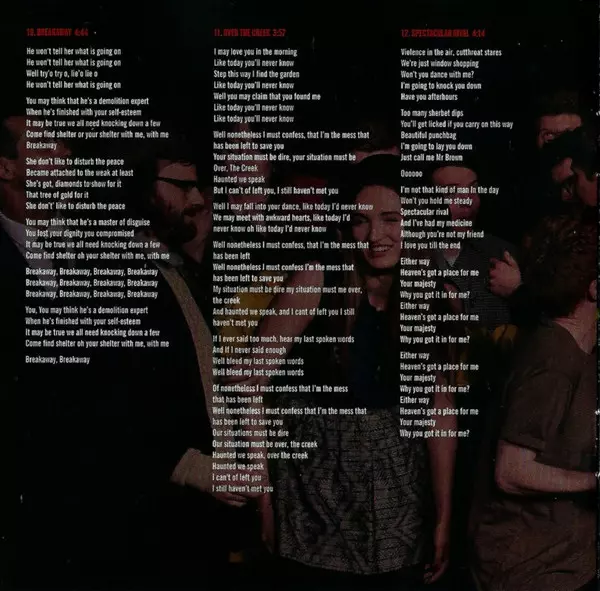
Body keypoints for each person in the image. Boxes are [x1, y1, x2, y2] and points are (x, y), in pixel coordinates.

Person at [0, 112, 233, 588]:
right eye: (44, 144)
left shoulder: (111, 249)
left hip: (149, 510)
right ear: (5, 167)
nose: (64, 152)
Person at [226, 155, 457, 589]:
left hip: (398, 501)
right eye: (360, 220)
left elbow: (438, 408)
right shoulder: (317, 277)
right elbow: (248, 383)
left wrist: (444, 517)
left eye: (391, 219)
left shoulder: (433, 293)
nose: (376, 236)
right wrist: (265, 499)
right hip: (314, 499)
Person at [470, 214, 597, 591]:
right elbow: (511, 471)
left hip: (564, 559)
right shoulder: (552, 361)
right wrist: (594, 481)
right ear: (594, 289)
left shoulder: (577, 349)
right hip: (529, 571)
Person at [429, 163, 516, 331]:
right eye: (451, 192)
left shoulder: (503, 255)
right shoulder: (411, 256)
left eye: (473, 189)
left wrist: (517, 291)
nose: (468, 201)